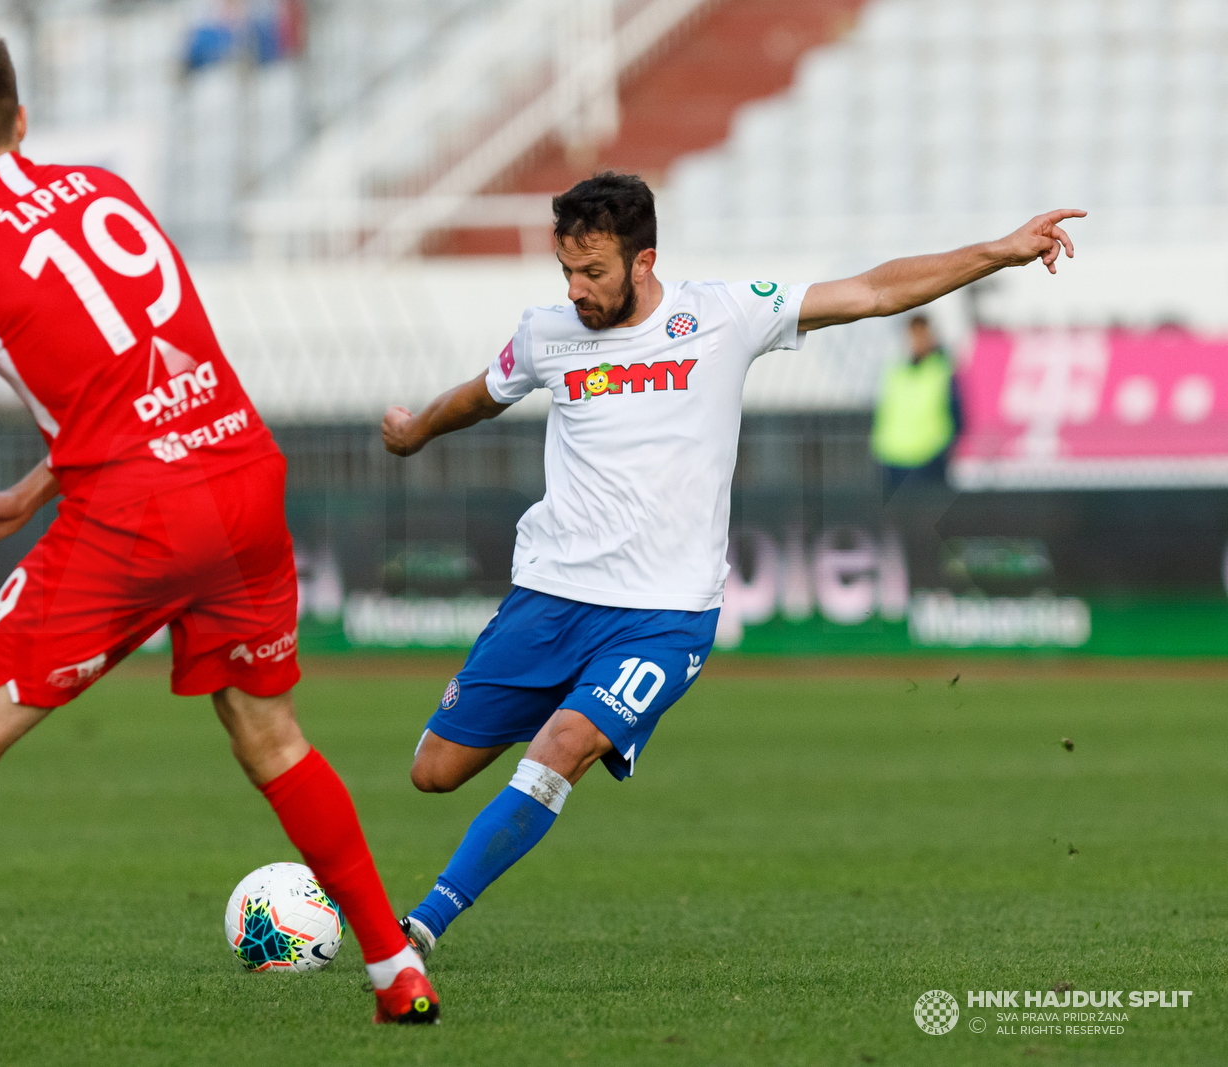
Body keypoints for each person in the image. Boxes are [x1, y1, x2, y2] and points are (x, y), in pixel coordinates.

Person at [0, 34, 437, 1041]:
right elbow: (145, 371)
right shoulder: (102, 188)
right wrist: (41, 487)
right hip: (243, 474)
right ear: (22, 118)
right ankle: (396, 973)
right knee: (270, 734)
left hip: (135, 521)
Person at [380, 173, 1081, 958]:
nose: (577, 290)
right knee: (434, 771)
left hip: (662, 615)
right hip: (548, 597)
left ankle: (419, 930)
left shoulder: (722, 314)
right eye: (566, 273)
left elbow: (875, 292)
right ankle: (545, 727)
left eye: (594, 273)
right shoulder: (549, 333)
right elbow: (482, 394)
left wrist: (1001, 251)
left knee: (562, 748)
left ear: (644, 261)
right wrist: (415, 433)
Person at [871, 313, 963, 495]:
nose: (917, 340)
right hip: (892, 457)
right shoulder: (895, 371)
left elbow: (958, 417)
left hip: (929, 459)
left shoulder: (943, 370)